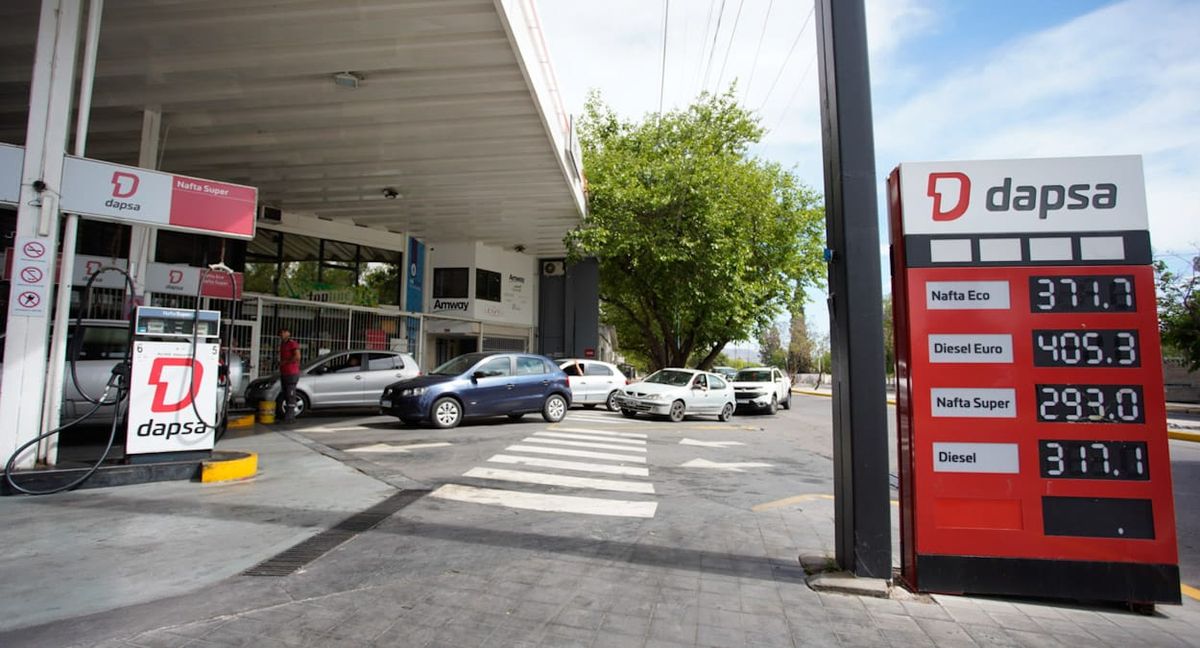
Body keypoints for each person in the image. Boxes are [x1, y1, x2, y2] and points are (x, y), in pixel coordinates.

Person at [278, 328, 301, 422]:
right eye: (280, 333)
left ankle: (290, 416)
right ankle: (287, 414)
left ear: (288, 333)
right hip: (284, 372)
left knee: (290, 393)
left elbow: (297, 356)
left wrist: (285, 362)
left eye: (283, 332)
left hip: (291, 372)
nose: (281, 334)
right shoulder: (283, 344)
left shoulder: (292, 343)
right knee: (285, 394)